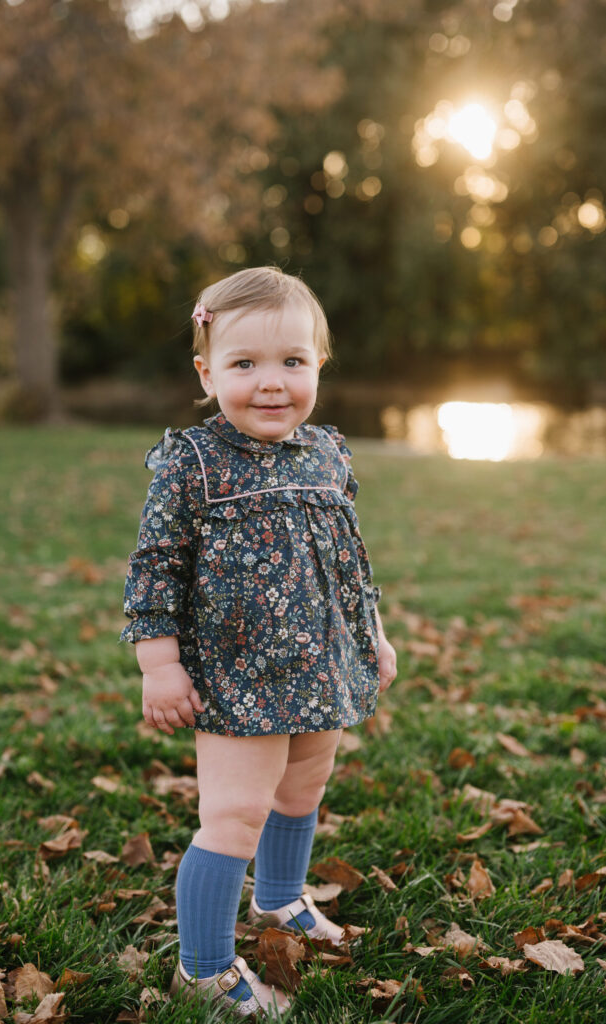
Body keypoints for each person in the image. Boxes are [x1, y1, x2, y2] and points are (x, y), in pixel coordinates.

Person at [120, 266, 397, 1019]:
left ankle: (279, 898)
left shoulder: (328, 453)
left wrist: (370, 633)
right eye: (245, 364)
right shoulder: (192, 462)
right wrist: (159, 664)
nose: (271, 382)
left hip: (321, 663)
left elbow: (348, 556)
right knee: (236, 815)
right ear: (207, 374)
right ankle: (205, 970)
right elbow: (155, 567)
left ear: (318, 366)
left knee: (302, 790)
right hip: (237, 676)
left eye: (291, 361)